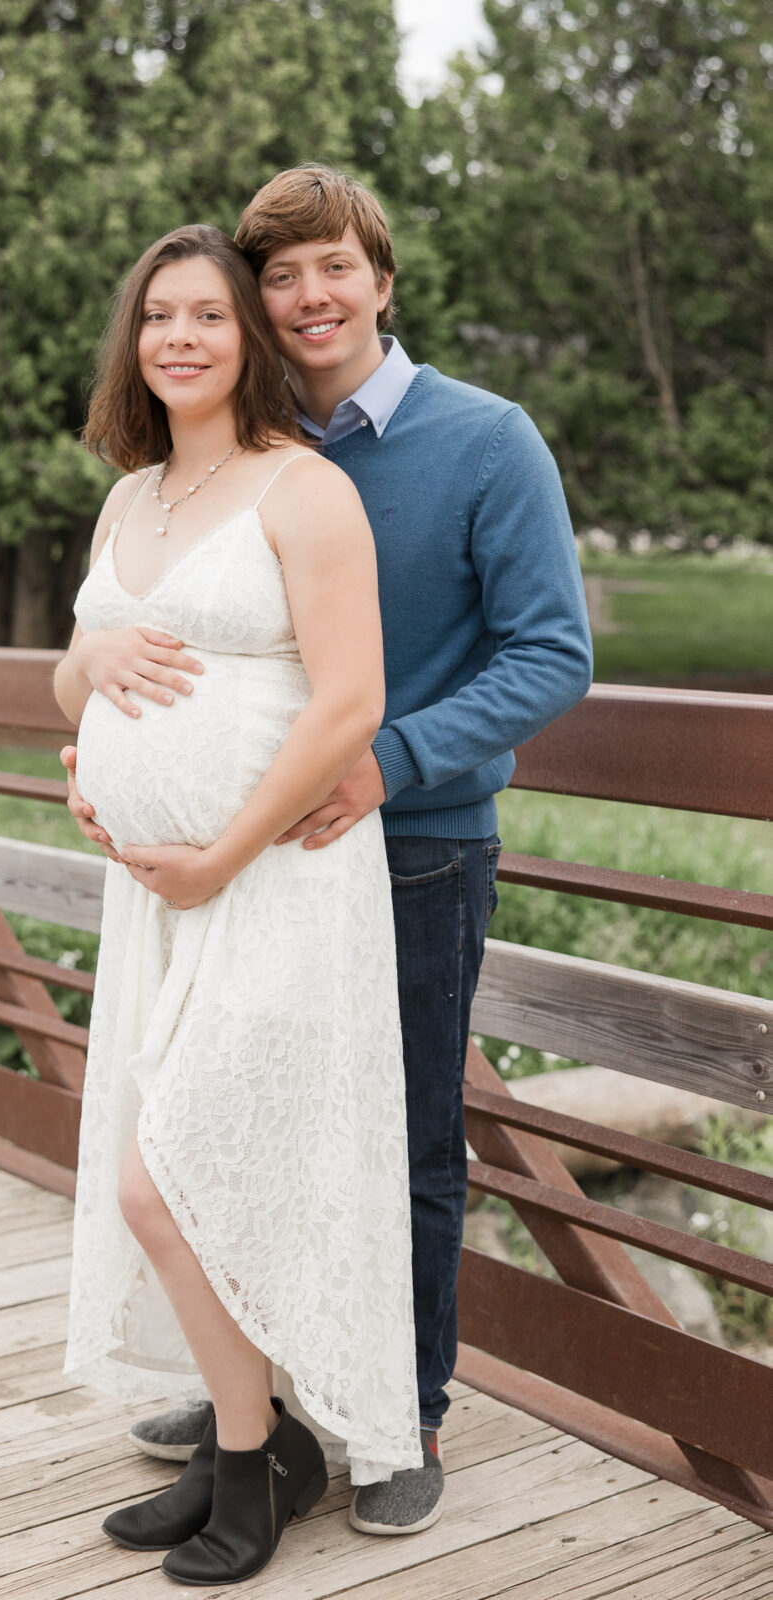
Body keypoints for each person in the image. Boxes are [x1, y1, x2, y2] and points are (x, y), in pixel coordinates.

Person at [62, 168, 594, 1538]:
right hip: (236, 866)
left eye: (333, 270)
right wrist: (102, 733)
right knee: (244, 1133)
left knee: (398, 1139)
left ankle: (400, 1412)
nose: (307, 298)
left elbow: (553, 652)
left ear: (382, 280)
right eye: (279, 275)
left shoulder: (484, 442)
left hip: (411, 840)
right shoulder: (233, 439)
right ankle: (266, 1400)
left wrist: (390, 762)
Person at [53, 222, 424, 1586]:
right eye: (159, 316)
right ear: (133, 340)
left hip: (276, 882)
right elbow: (75, 684)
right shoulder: (130, 495)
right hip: (156, 899)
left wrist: (218, 849)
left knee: (173, 1180)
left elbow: (351, 703)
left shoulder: (301, 488)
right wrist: (85, 695)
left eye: (211, 314)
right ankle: (241, 1446)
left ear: (249, 339)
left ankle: (262, 1455)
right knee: (177, 1172)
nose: (183, 339)